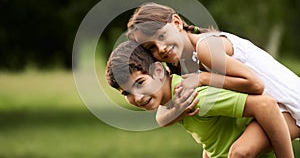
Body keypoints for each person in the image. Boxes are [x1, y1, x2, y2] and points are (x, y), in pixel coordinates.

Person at [126, 2, 300, 157]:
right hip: (268, 109)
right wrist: (178, 109)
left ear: (177, 23)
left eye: (162, 36)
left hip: (290, 106)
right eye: (151, 48)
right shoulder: (182, 64)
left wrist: (202, 78)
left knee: (240, 152)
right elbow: (162, 116)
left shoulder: (205, 48)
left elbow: (255, 85)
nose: (161, 48)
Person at [105, 40, 289, 158]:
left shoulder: (193, 96)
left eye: (140, 83)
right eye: (126, 93)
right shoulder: (175, 103)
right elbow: (214, 135)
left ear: (159, 71)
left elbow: (265, 104)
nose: (137, 97)